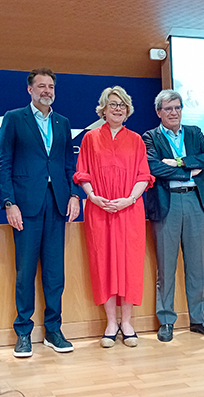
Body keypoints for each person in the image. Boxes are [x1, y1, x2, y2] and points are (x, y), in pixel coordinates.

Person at [0, 68, 80, 358]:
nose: (47, 90)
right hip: (25, 205)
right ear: (29, 90)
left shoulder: (62, 121)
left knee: (55, 273)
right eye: (41, 86)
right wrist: (8, 202)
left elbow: (69, 163)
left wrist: (73, 194)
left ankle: (53, 330)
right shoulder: (14, 118)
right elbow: (3, 162)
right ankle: (23, 332)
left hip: (56, 203)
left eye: (51, 86)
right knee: (26, 272)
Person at [73, 86, 154, 348]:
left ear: (127, 109)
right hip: (99, 208)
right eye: (112, 104)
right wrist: (93, 197)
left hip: (129, 209)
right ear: (103, 109)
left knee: (129, 264)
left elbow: (144, 176)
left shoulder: (137, 140)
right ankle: (110, 322)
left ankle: (127, 322)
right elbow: (82, 172)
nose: (117, 108)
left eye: (121, 105)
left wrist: (129, 199)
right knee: (103, 263)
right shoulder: (90, 139)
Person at [142, 89, 204, 343]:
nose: (174, 113)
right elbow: (153, 167)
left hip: (196, 202)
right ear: (159, 112)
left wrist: (177, 163)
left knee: (196, 263)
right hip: (167, 204)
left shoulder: (194, 132)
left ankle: (198, 319)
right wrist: (191, 170)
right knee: (166, 266)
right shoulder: (150, 137)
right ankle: (166, 321)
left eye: (177, 108)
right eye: (168, 109)